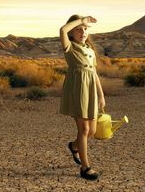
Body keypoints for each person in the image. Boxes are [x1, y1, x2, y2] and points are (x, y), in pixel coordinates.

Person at [58, 14, 105, 180]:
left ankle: (74, 146)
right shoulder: (69, 46)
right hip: (77, 89)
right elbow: (62, 30)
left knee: (91, 131)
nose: (83, 31)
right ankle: (85, 168)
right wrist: (82, 20)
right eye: (78, 29)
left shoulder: (90, 50)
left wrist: (101, 95)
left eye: (85, 29)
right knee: (84, 129)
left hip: (90, 89)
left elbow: (94, 73)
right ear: (72, 32)